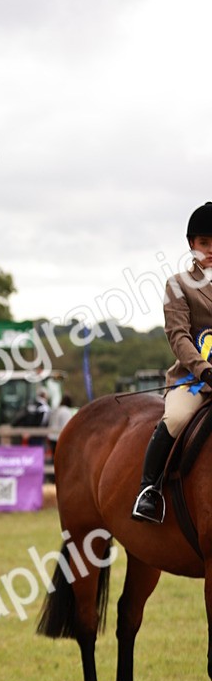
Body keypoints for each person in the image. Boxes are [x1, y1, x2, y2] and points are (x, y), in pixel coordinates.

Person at [132, 202, 212, 522]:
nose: (211, 250)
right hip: (192, 381)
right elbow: (178, 335)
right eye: (205, 243)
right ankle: (149, 490)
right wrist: (203, 369)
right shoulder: (178, 285)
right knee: (177, 418)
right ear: (192, 245)